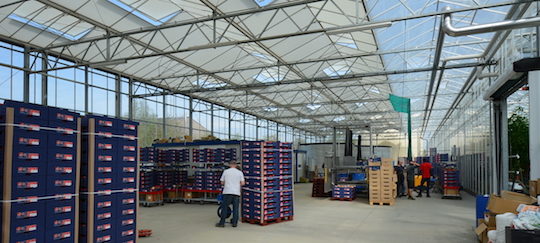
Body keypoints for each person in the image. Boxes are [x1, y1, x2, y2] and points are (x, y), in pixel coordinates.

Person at [216, 161, 245, 228]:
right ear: (235, 165)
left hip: (227, 192)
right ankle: (234, 223)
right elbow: (243, 183)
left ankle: (222, 223)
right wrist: (236, 185)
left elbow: (222, 182)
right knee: (235, 208)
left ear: (230, 165)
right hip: (236, 192)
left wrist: (227, 183)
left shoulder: (226, 172)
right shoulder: (240, 172)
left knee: (225, 208)